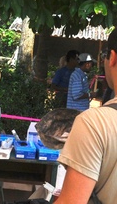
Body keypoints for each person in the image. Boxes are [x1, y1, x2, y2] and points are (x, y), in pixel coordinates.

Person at [54, 29, 117, 204]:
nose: (91, 65)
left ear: (112, 58)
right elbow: (75, 95)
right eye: (89, 63)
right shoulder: (77, 76)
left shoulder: (93, 124)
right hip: (76, 111)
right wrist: (90, 95)